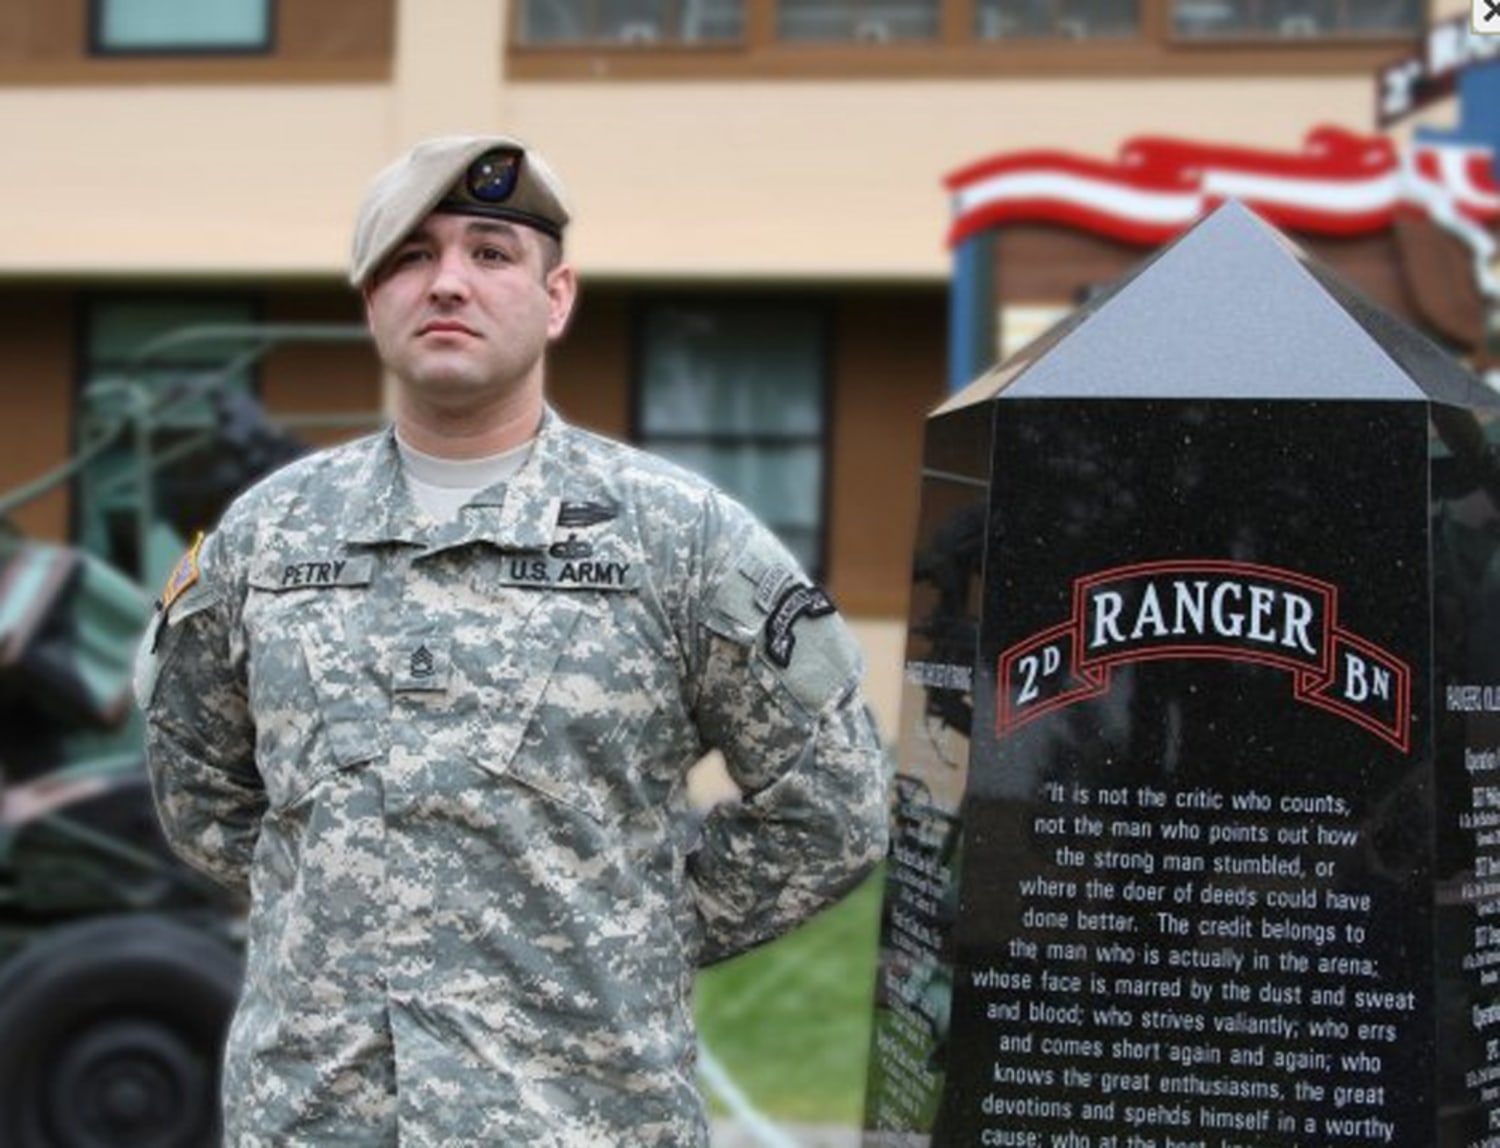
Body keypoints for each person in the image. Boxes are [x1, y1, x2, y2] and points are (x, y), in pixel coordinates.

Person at [134, 133, 891, 1146]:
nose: (448, 281)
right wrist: (340, 896)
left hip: (582, 1116)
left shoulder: (680, 539)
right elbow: (197, 782)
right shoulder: (263, 540)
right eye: (411, 256)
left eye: (491, 252)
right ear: (372, 301)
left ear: (557, 296)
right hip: (316, 1117)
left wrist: (640, 924)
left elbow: (834, 799)